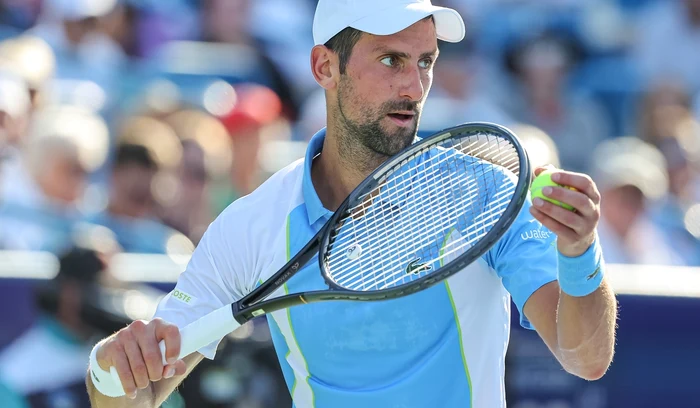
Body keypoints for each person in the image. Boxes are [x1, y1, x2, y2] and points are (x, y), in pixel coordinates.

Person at [86, 1, 617, 407]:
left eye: (425, 61)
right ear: (324, 67)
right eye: (391, 60)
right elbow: (135, 394)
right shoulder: (252, 226)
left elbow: (585, 357)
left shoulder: (486, 191)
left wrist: (579, 251)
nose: (414, 86)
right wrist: (108, 368)